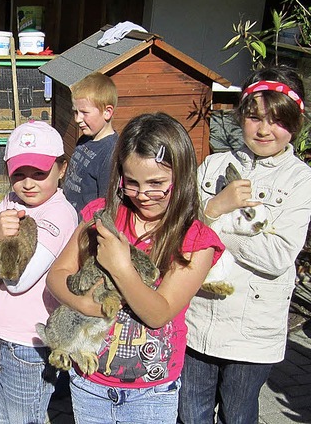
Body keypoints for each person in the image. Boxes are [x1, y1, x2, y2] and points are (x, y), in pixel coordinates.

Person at [46, 112, 225, 423]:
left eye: (156, 183)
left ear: (180, 178)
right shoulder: (101, 215)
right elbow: (56, 277)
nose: (143, 194)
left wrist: (120, 267)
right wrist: (86, 304)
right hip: (90, 383)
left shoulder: (196, 241)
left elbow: (158, 313)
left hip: (151, 392)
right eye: (132, 183)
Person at [178, 66, 311, 424]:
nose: (264, 129)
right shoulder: (214, 165)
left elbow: (278, 255)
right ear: (240, 116)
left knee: (237, 414)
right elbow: (180, 230)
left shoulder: (300, 180)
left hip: (252, 329)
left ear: (295, 123)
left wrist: (215, 226)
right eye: (254, 117)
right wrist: (214, 207)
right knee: (190, 413)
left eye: (277, 120)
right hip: (196, 318)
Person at [0, 121, 78, 423]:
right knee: (2, 418)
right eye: (18, 174)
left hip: (28, 345)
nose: (28, 183)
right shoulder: (11, 200)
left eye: (39, 173)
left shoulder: (60, 213)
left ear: (62, 168)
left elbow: (18, 281)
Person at [63, 72, 119, 213]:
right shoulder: (84, 139)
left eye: (84, 112)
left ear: (107, 112)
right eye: (75, 112)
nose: (77, 119)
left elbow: (106, 204)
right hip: (69, 218)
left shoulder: (111, 153)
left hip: (86, 229)